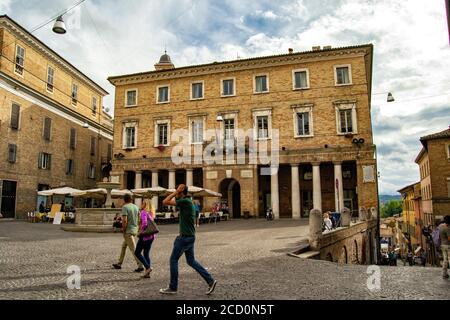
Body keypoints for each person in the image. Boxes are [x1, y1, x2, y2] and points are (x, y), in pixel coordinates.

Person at [159, 184, 217, 295]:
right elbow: (172, 200)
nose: (176, 194)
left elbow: (165, 201)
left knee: (173, 260)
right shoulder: (187, 201)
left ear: (182, 193)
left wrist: (176, 192)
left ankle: (173, 287)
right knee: (191, 261)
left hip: (184, 237)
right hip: (190, 237)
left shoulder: (185, 201)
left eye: (178, 192)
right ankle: (210, 281)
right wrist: (179, 192)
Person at [112, 194, 144, 272]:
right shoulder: (136, 207)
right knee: (124, 247)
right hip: (134, 230)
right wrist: (138, 229)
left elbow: (124, 220)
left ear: (124, 200)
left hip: (128, 231)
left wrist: (123, 229)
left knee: (134, 249)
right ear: (131, 199)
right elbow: (140, 220)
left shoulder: (125, 207)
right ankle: (119, 263)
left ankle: (141, 265)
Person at [135, 201, 156, 279]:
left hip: (144, 237)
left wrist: (140, 232)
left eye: (143, 203)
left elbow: (144, 224)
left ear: (146, 205)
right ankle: (147, 273)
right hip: (151, 237)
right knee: (146, 253)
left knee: (137, 252)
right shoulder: (151, 213)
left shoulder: (144, 212)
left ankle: (147, 268)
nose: (141, 204)